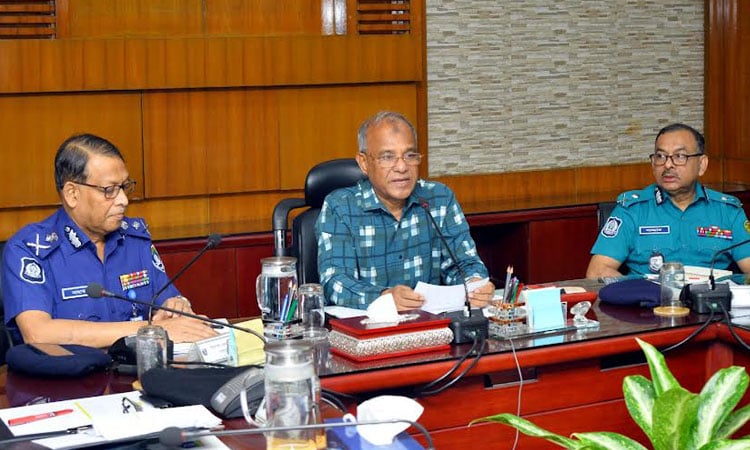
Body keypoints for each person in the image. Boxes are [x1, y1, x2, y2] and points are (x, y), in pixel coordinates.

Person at [2, 134, 217, 347]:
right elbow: (38, 334)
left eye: (124, 187)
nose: (123, 200)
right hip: (72, 370)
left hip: (141, 367)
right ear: (72, 194)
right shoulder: (30, 250)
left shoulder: (135, 239)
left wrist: (177, 307)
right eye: (109, 190)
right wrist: (151, 330)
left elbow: (168, 302)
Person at [316, 111, 495, 311]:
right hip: (371, 324)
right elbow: (335, 282)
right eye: (387, 157)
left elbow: (464, 263)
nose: (402, 167)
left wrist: (475, 284)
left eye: (410, 155)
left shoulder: (439, 198)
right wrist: (384, 297)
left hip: (432, 322)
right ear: (364, 163)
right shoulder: (340, 207)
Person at [587, 123, 750, 278]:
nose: (668, 165)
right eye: (660, 156)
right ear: (653, 164)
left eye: (679, 156)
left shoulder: (728, 211)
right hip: (651, 297)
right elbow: (597, 271)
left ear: (702, 164)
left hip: (711, 297)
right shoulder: (633, 209)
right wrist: (641, 290)